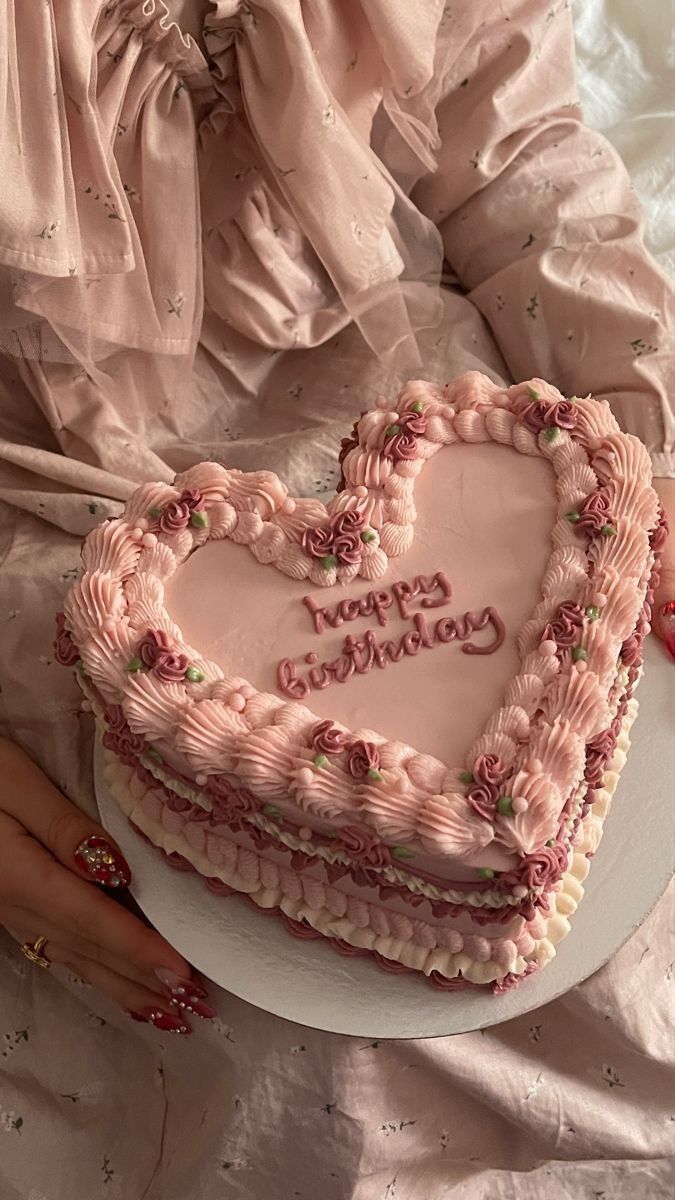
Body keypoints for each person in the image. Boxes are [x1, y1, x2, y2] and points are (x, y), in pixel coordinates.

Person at [0, 2, 672, 1196]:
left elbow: (510, 152)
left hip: (459, 453)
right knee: (277, 1057)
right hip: (56, 539)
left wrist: (653, 437)